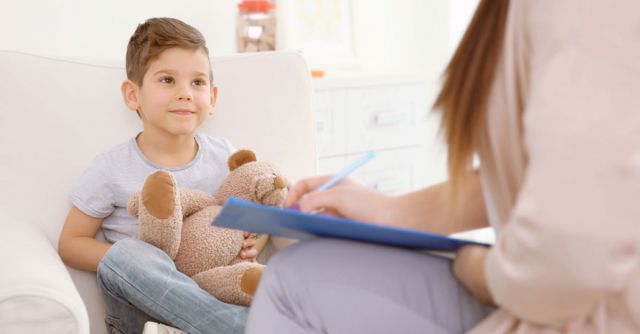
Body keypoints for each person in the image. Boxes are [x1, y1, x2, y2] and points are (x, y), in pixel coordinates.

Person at [245, 0, 640, 333]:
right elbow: (557, 177)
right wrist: (391, 210)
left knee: (291, 281)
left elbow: (568, 256)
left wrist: (481, 270)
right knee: (299, 270)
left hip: (593, 310)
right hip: (565, 291)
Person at [58, 17, 263, 334]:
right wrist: (150, 266)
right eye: (167, 80)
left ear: (213, 99)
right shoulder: (111, 166)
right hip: (143, 317)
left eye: (197, 83)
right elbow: (71, 243)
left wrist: (253, 243)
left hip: (215, 287)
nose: (185, 93)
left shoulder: (224, 155)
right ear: (132, 95)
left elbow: (254, 215)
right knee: (127, 254)